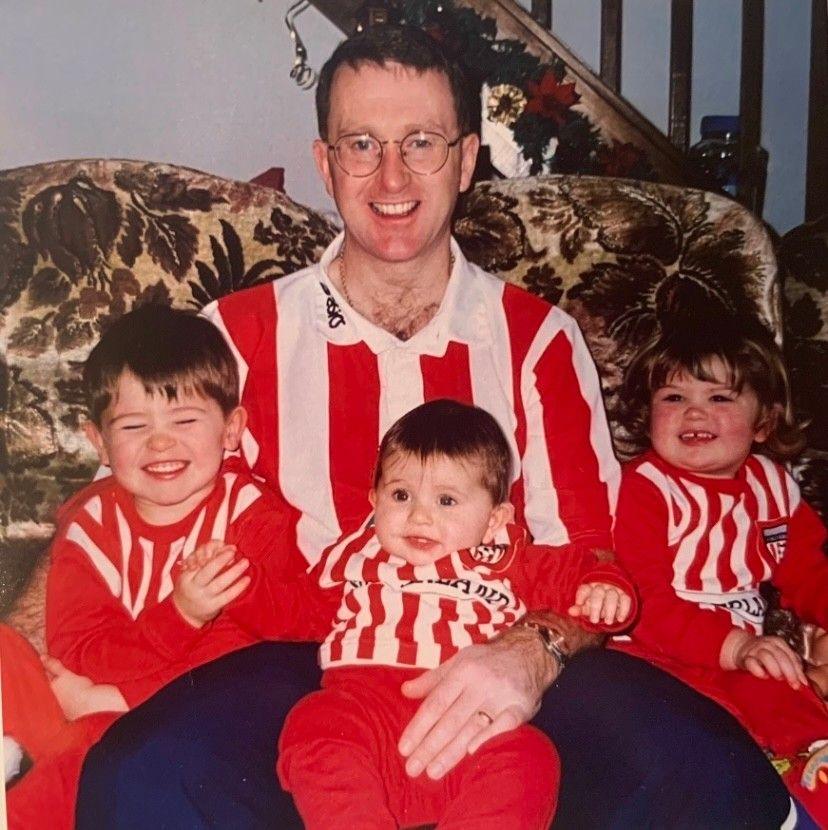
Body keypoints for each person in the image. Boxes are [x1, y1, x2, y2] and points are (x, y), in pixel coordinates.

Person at [77, 24, 793, 829]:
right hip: (301, 658)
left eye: (421, 142)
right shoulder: (236, 335)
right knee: (137, 780)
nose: (391, 176)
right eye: (361, 144)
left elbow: (594, 556)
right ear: (325, 163)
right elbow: (116, 514)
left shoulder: (537, 340)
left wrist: (531, 653)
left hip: (503, 632)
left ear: (465, 159)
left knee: (707, 775)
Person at [5, 305, 308, 830]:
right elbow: (80, 648)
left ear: (232, 429)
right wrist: (177, 619)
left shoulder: (253, 519)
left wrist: (120, 693)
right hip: (75, 707)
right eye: (133, 425)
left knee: (61, 788)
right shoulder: (90, 523)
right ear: (99, 441)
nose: (161, 442)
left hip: (180, 726)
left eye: (185, 420)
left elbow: (252, 658)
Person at [270, 400, 635, 828]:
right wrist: (242, 590)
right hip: (365, 716)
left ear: (494, 519)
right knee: (313, 722)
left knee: (529, 756)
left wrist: (606, 590)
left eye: (447, 500)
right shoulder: (357, 555)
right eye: (401, 495)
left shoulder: (508, 559)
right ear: (374, 501)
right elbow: (297, 610)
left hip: (471, 730)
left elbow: (583, 572)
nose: (420, 515)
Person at [613, 327, 828, 824]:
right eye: (673, 397)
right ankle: (787, 794)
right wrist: (736, 647)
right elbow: (644, 602)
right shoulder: (645, 489)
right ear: (649, 416)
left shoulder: (772, 485)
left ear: (764, 423)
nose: (693, 411)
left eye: (719, 397)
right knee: (752, 712)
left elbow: (808, 574)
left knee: (779, 695)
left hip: (743, 658)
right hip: (656, 656)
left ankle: (797, 779)